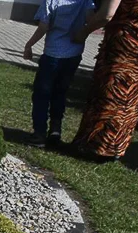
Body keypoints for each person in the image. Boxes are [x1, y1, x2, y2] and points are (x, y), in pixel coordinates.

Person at [72, 0, 138, 160]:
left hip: (127, 41)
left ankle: (95, 146)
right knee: (132, 98)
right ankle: (116, 149)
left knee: (111, 92)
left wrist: (84, 32)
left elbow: (106, 15)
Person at [23, 0, 96, 147]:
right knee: (60, 92)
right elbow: (91, 20)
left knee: (42, 93)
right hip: (74, 54)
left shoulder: (51, 1)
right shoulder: (85, 1)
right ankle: (55, 130)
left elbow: (43, 27)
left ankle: (39, 133)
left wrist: (29, 44)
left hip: (53, 53)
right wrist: (83, 32)